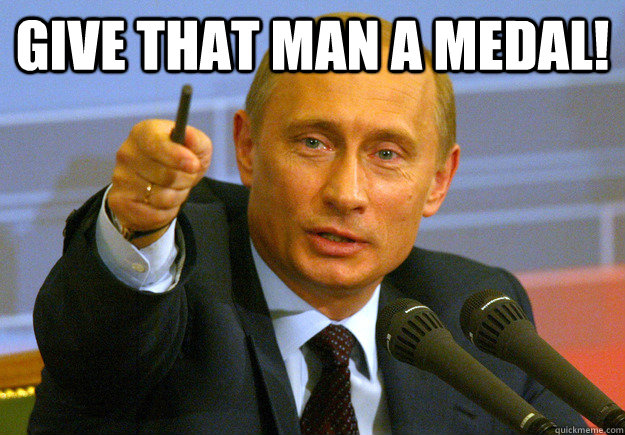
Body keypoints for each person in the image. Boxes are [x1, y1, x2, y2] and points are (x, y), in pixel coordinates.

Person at [29, 12, 585, 434]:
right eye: (313, 143)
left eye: (386, 154)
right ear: (247, 147)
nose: (346, 194)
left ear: (439, 180)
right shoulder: (176, 283)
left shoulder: (472, 314)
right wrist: (139, 226)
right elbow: (99, 338)